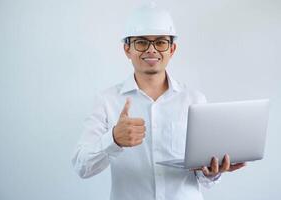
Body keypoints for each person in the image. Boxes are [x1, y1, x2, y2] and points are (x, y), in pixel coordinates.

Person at [71, 3, 245, 200]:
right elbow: (81, 166)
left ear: (172, 49)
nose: (152, 50)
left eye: (161, 42)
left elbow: (203, 178)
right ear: (127, 49)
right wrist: (113, 139)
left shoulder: (195, 100)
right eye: (142, 42)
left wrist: (212, 172)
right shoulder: (107, 101)